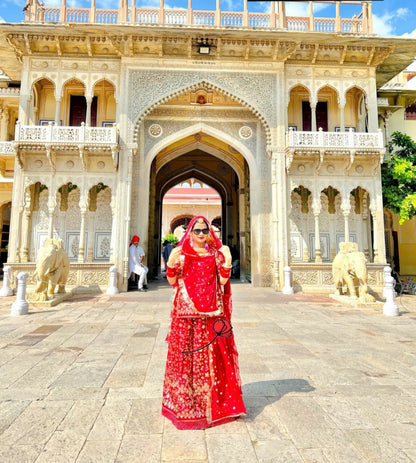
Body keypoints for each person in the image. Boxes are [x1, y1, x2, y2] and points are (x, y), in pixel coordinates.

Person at [162, 216, 246, 429]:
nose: (201, 234)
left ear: (209, 232)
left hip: (211, 314)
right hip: (186, 315)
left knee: (213, 357)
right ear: (189, 232)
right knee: (187, 359)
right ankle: (187, 404)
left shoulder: (215, 255)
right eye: (197, 230)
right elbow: (172, 281)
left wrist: (226, 261)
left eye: (204, 231)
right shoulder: (181, 255)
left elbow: (223, 280)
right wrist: (170, 262)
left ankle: (213, 405)